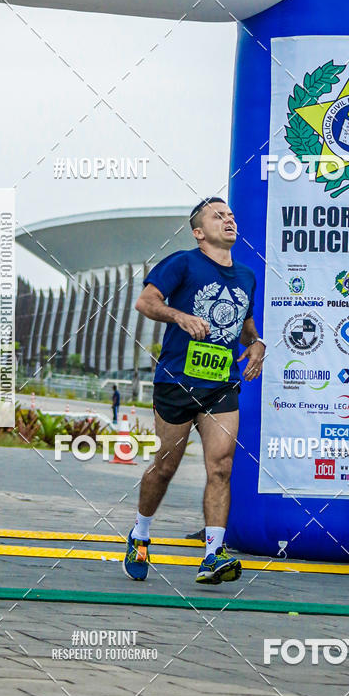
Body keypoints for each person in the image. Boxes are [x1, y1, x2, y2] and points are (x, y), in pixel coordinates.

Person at [124, 197, 266, 585]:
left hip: (220, 385)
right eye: (218, 216)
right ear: (199, 232)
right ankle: (140, 533)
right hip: (176, 380)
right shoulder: (183, 263)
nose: (229, 219)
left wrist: (256, 344)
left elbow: (246, 325)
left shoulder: (247, 276)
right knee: (166, 467)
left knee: (221, 466)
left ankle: (213, 555)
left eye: (231, 215)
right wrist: (179, 315)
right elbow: (146, 301)